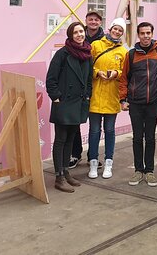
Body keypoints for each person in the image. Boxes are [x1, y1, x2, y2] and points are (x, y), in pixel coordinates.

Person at [46, 22, 93, 193]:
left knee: (71, 139)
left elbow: (88, 79)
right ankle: (58, 177)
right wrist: (56, 98)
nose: (80, 35)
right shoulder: (62, 54)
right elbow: (51, 79)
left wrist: (87, 96)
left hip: (79, 103)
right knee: (61, 139)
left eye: (81, 31)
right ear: (70, 35)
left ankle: (66, 172)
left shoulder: (87, 53)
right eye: (76, 32)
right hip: (64, 102)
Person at [119, 22, 157, 187]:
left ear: (152, 34)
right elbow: (124, 78)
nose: (146, 36)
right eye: (142, 33)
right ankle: (139, 170)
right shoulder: (131, 55)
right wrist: (123, 100)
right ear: (138, 35)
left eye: (148, 33)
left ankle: (150, 171)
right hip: (135, 103)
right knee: (138, 138)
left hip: (153, 102)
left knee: (151, 138)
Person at [87, 18, 128, 180]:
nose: (117, 32)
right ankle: (93, 162)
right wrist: (97, 72)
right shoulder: (96, 45)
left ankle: (109, 162)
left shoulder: (123, 52)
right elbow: (86, 66)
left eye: (120, 31)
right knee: (94, 131)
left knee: (110, 131)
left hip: (112, 96)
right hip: (95, 96)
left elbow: (125, 74)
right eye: (115, 29)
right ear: (110, 28)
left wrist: (116, 74)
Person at [69, 9, 106, 170]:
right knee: (75, 122)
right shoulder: (78, 37)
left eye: (96, 20)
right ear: (86, 20)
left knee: (95, 126)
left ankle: (93, 157)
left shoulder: (106, 39)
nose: (93, 22)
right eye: (90, 19)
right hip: (78, 86)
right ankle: (76, 154)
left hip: (98, 86)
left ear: (100, 22)